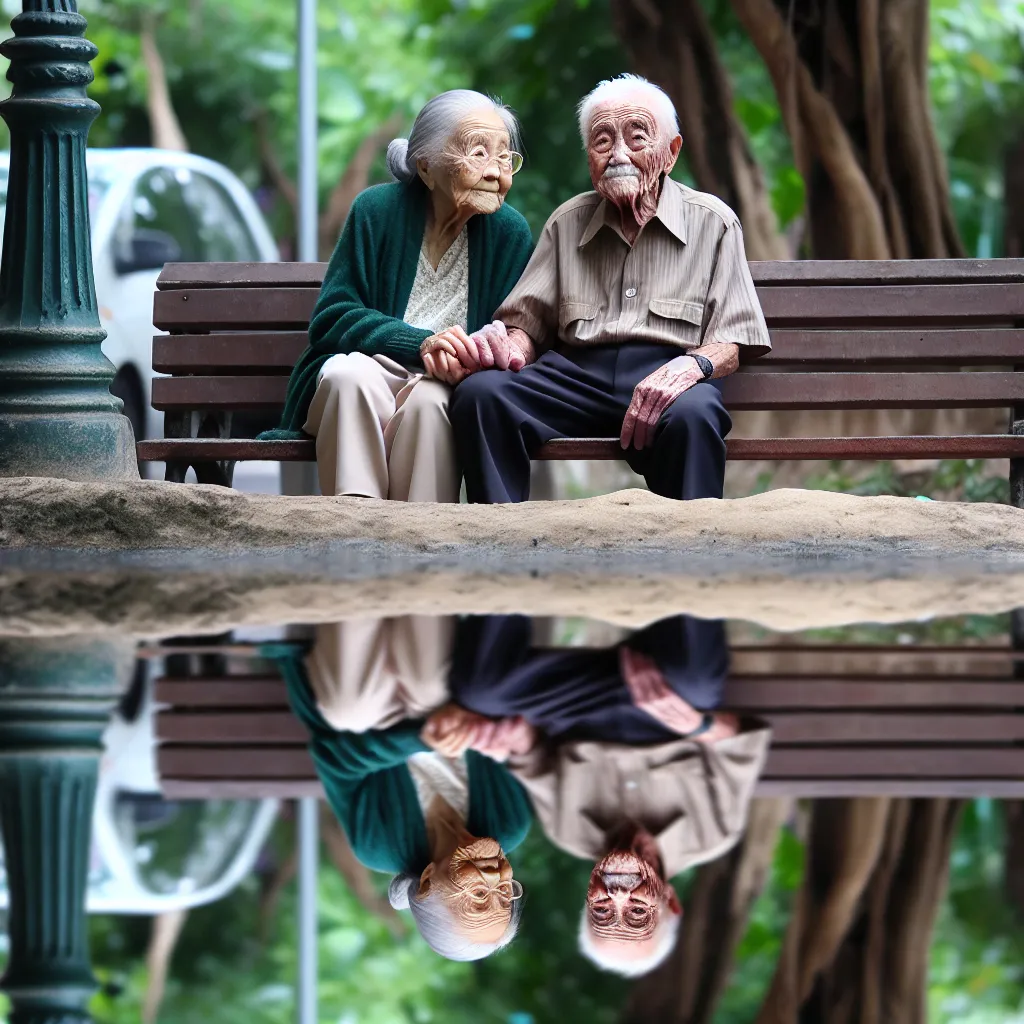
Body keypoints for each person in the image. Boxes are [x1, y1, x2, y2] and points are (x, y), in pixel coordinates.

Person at [442, 74, 771, 503]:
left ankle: (694, 552)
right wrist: (510, 348)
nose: (618, 154)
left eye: (637, 138)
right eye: (602, 141)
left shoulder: (714, 222)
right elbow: (526, 325)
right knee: (482, 395)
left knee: (698, 413)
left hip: (669, 373)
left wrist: (689, 370)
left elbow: (733, 339)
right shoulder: (566, 221)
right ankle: (502, 541)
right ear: (589, 157)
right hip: (574, 376)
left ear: (671, 152)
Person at [425, 614, 771, 977]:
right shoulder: (714, 835)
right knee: (695, 682)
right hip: (669, 703)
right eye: (637, 914)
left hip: (575, 704)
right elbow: (738, 741)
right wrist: (696, 724)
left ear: (587, 902)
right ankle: (692, 565)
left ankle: (499, 563)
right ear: (671, 900)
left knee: (481, 692)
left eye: (603, 912)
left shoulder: (567, 834)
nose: (617, 897)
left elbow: (531, 752)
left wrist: (511, 738)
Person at [260, 89, 534, 502]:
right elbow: (332, 318)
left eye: (503, 156)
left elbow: (510, 334)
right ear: (426, 167)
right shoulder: (376, 211)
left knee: (430, 403)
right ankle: (356, 529)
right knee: (347, 376)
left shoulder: (510, 233)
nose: (496, 172)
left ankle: (421, 547)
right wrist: (419, 342)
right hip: (370, 367)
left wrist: (468, 357)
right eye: (478, 154)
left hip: (443, 383)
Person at [269, 617, 534, 962]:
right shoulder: (510, 823)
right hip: (450, 694)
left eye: (479, 896)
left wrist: (418, 738)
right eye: (503, 893)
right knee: (427, 689)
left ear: (426, 884)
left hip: (366, 716)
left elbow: (334, 759)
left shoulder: (377, 846)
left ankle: (361, 586)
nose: (495, 876)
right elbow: (508, 739)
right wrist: (471, 727)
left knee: (351, 709)